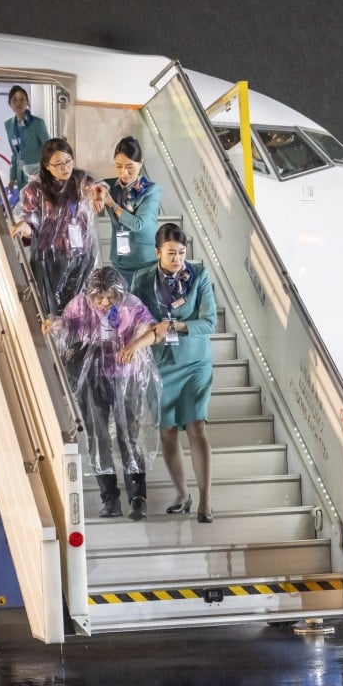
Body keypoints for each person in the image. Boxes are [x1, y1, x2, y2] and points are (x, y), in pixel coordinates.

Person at [121, 224, 217, 522]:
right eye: (171, 253)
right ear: (157, 252)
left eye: (182, 253)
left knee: (196, 426)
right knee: (167, 430)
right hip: (162, 363)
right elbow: (135, 317)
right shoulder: (141, 279)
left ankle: (205, 500)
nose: (178, 259)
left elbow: (209, 322)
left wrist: (175, 326)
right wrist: (137, 339)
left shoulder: (198, 276)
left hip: (194, 362)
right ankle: (182, 494)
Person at [50, 267, 160, 521]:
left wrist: (135, 342)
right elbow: (68, 327)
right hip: (93, 378)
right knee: (98, 437)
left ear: (118, 292)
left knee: (129, 435)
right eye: (98, 298)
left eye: (109, 297)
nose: (103, 302)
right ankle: (109, 499)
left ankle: (137, 497)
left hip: (126, 376)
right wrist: (56, 325)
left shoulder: (130, 305)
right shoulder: (80, 304)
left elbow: (148, 328)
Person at [12, 139, 104, 326]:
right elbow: (32, 222)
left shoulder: (79, 181)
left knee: (80, 313)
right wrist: (24, 226)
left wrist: (99, 194)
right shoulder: (34, 190)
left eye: (68, 161)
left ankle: (76, 352)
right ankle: (55, 352)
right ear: (47, 166)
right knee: (52, 315)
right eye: (58, 164)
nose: (65, 167)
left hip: (80, 257)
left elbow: (97, 187)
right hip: (49, 261)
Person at [100, 137, 161, 287]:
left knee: (142, 308)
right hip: (120, 259)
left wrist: (112, 205)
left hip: (143, 261)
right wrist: (96, 195)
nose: (124, 172)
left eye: (129, 167)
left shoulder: (151, 190)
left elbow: (138, 224)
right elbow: (89, 186)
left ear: (140, 163)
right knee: (122, 306)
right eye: (119, 166)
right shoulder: (109, 185)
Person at [3, 85, 50, 191]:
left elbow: (49, 150)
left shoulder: (37, 123)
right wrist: (12, 177)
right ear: (9, 103)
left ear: (27, 102)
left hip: (37, 175)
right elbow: (15, 154)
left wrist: (48, 175)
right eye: (14, 100)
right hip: (21, 176)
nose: (18, 103)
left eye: (21, 99)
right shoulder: (8, 124)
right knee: (24, 204)